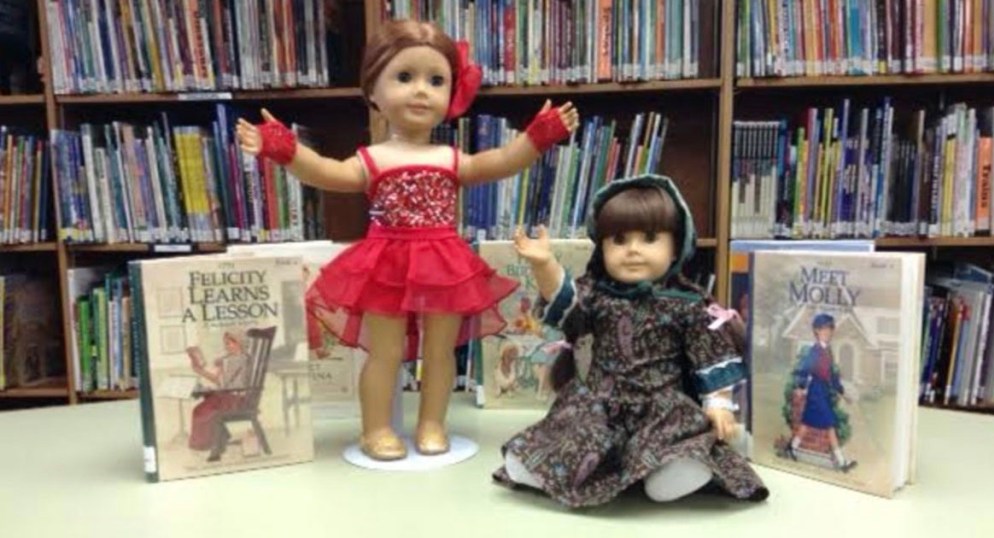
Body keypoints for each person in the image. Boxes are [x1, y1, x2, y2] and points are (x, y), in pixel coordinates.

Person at [235, 19, 579, 461]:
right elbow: (328, 173)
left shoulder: (450, 158)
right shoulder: (372, 158)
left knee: (440, 352)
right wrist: (284, 150)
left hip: (445, 266)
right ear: (373, 93)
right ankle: (375, 429)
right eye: (404, 77)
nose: (421, 90)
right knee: (385, 352)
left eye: (436, 80)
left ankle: (432, 423)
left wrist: (537, 137)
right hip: (386, 265)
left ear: (451, 94)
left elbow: (499, 161)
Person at [492, 174, 768, 508]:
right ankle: (549, 467)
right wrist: (545, 265)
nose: (633, 250)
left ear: (676, 245)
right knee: (571, 435)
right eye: (619, 240)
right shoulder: (597, 295)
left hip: (661, 407)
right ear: (603, 247)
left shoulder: (687, 304)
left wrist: (719, 404)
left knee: (672, 440)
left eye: (650, 238)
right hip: (599, 403)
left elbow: (710, 355)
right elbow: (567, 306)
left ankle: (678, 466)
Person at [785, 313, 855, 472]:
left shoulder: (828, 351)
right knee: (830, 425)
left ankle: (792, 448)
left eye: (830, 329)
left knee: (806, 423)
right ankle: (841, 461)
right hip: (816, 391)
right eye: (824, 329)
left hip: (823, 390)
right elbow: (804, 369)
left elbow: (833, 376)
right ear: (816, 331)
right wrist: (801, 387)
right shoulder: (815, 351)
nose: (828, 332)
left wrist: (843, 393)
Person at [187, 331, 252, 457]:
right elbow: (218, 380)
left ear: (239, 343)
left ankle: (205, 445)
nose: (226, 347)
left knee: (202, 411)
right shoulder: (228, 359)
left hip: (236, 399)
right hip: (227, 395)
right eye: (225, 344)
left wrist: (223, 363)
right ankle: (215, 440)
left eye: (229, 344)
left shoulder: (242, 359)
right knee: (200, 408)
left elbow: (227, 384)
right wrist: (199, 370)